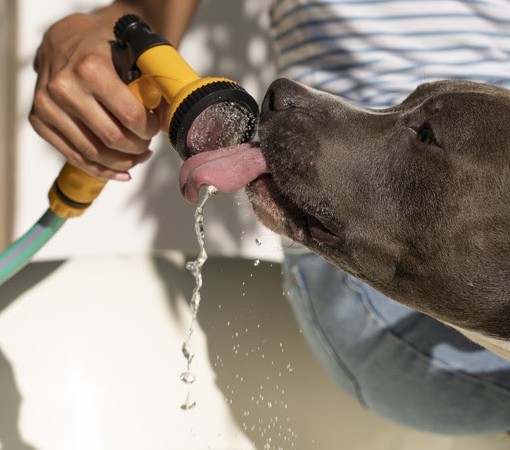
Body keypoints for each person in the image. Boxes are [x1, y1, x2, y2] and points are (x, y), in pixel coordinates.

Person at [30, 0, 510, 435]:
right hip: (379, 276)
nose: (286, 96)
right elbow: (140, 12)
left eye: (423, 137)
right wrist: (88, 34)